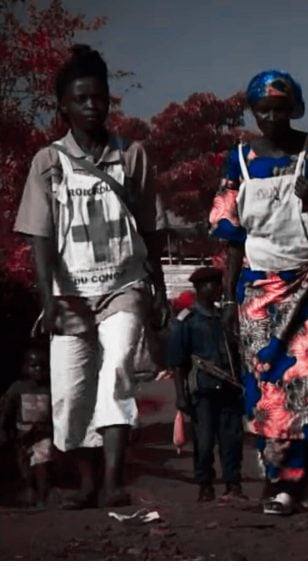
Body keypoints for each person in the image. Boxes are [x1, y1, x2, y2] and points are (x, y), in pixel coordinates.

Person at [14, 45, 170, 509]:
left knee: (117, 373)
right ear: (63, 105)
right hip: (71, 294)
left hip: (124, 287)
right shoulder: (49, 163)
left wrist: (158, 287)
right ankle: (85, 482)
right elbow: (40, 238)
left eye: (98, 97)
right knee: (70, 391)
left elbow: (150, 228)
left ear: (109, 100)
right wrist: (49, 300)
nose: (91, 106)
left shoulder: (132, 155)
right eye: (80, 98)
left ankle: (112, 481)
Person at [208, 70, 308, 515]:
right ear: (253, 113)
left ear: (295, 109)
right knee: (266, 384)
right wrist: (231, 298)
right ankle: (278, 480)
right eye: (263, 110)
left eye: (280, 108)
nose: (272, 117)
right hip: (258, 288)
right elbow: (231, 235)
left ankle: (300, 480)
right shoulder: (239, 160)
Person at [167, 267, 244, 502]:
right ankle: (205, 485)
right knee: (204, 441)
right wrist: (180, 396)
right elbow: (178, 362)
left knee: (231, 440)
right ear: (201, 288)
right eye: (214, 285)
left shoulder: (226, 318)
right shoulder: (187, 321)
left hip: (229, 390)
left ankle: (233, 484)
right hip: (203, 390)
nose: (219, 289)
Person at [0, 345, 55, 507]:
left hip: (42, 435)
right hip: (22, 435)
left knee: (41, 464)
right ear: (25, 368)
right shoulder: (18, 388)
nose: (38, 369)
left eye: (42, 366)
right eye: (34, 366)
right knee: (24, 467)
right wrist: (2, 429)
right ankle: (29, 490)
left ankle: (41, 498)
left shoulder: (50, 389)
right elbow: (6, 410)